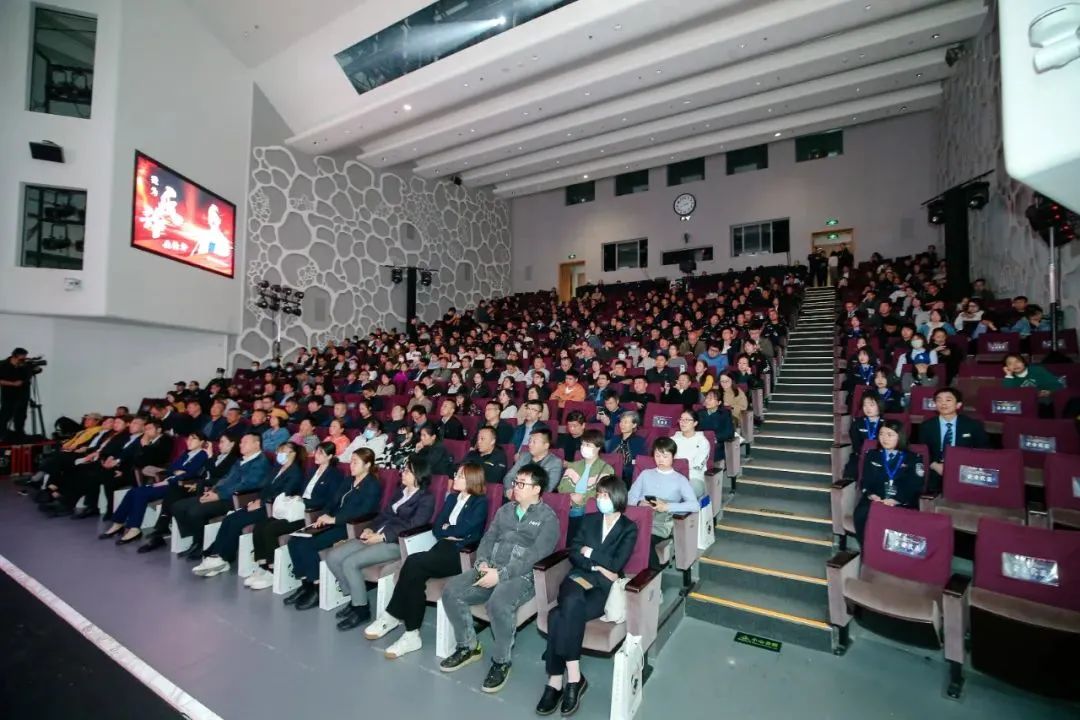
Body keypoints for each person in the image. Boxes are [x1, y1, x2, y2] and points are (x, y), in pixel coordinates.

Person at [438, 463, 559, 694]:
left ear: (537, 489)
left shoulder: (548, 518)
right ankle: (468, 646)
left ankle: (501, 661)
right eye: (515, 482)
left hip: (522, 576)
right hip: (491, 567)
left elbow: (536, 555)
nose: (515, 487)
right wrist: (482, 563)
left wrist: (501, 575)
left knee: (498, 603)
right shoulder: (505, 511)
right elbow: (488, 538)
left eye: (522, 484)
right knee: (451, 590)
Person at [536, 475, 638, 716]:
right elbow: (574, 551)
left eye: (605, 495)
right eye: (598, 494)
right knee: (571, 600)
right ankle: (574, 677)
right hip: (579, 577)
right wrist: (596, 565)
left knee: (557, 615)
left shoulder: (629, 528)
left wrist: (591, 552)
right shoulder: (590, 519)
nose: (600, 499)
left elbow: (617, 563)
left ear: (617, 497)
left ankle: (555, 679)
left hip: (602, 589)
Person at [364, 463, 489, 658]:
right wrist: (448, 531)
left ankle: (394, 617)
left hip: (461, 554)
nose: (455, 477)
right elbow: (438, 527)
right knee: (414, 571)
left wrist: (450, 530)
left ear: (471, 480)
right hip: (442, 547)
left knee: (413, 562)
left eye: (460, 475)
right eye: (456, 473)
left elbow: (465, 530)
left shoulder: (480, 502)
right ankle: (410, 633)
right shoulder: (452, 498)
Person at [329, 455, 436, 629]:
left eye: (407, 471)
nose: (402, 473)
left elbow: (415, 525)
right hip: (377, 535)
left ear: (418, 474)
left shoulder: (426, 498)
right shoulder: (400, 491)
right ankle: (355, 597)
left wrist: (383, 536)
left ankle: (361, 609)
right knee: (333, 557)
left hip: (397, 543)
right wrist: (370, 528)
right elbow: (384, 514)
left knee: (350, 562)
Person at [283, 448, 383, 610]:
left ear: (367, 465)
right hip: (333, 521)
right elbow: (333, 501)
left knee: (308, 545)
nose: (351, 465)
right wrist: (325, 515)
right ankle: (306, 584)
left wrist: (334, 519)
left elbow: (364, 511)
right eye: (351, 461)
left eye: (356, 462)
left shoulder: (372, 485)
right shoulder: (348, 480)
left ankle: (316, 588)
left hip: (349, 526)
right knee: (294, 541)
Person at [192, 442, 306, 578]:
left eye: (283, 451)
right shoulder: (277, 469)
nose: (279, 454)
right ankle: (217, 556)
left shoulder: (295, 473)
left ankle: (223, 557)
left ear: (292, 454)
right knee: (230, 518)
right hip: (262, 503)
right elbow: (264, 488)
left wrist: (261, 503)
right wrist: (256, 500)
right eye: (279, 451)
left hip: (273, 508)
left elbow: (284, 494)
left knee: (237, 522)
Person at [245, 442, 345, 591]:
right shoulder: (312, 471)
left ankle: (273, 570)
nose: (316, 455)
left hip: (310, 514)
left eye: (321, 453)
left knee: (270, 530)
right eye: (316, 452)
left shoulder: (335, 475)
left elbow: (329, 501)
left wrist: (305, 503)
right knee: (260, 526)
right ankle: (263, 566)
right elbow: (301, 491)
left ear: (330, 456)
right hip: (296, 509)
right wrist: (296, 498)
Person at [170, 432, 272, 563]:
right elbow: (225, 478)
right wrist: (213, 490)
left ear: (257, 444)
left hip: (237, 499)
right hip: (220, 494)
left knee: (194, 511)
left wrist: (219, 495)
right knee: (178, 506)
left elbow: (246, 485)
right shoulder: (240, 460)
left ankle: (200, 544)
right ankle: (196, 539)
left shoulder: (260, 462)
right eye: (241, 442)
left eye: (245, 442)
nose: (241, 445)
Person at [98, 431, 209, 544]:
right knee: (132, 491)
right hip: (168, 481)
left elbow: (191, 474)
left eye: (193, 439)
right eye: (188, 438)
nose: (189, 441)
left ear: (202, 442)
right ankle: (118, 523)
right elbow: (171, 469)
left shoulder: (202, 455)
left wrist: (171, 479)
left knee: (140, 494)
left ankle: (134, 528)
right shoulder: (186, 454)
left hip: (178, 486)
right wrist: (176, 473)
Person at [139, 431, 241, 553]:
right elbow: (203, 472)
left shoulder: (233, 460)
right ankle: (167, 527)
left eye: (222, 442)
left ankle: (164, 526)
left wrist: (208, 459)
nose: (219, 445)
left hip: (208, 488)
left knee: (177, 492)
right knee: (175, 491)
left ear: (232, 444)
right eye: (219, 442)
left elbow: (217, 475)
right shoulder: (218, 456)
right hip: (200, 485)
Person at [628, 437, 698, 570]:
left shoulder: (680, 479)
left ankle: (653, 577)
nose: (660, 459)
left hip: (659, 523)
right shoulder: (645, 474)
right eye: (657, 455)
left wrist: (667, 506)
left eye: (665, 456)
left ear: (673, 456)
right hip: (638, 519)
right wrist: (639, 503)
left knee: (642, 540)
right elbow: (630, 496)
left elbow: (694, 505)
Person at [852, 420, 923, 545]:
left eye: (890, 435)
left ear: (900, 437)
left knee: (897, 521)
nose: (884, 438)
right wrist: (871, 495)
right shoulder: (872, 455)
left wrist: (897, 500)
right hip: (876, 500)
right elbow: (865, 480)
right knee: (861, 514)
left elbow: (915, 485)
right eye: (881, 434)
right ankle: (867, 550)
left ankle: (889, 554)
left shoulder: (913, 458)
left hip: (901, 501)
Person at [920, 387, 989, 492]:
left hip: (964, 469)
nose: (943, 403)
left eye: (948, 400)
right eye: (939, 400)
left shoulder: (973, 425)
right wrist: (934, 465)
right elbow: (922, 450)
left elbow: (984, 450)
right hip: (936, 469)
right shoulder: (926, 426)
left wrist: (961, 466)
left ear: (958, 405)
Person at [558, 429, 614, 538]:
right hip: (569, 505)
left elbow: (603, 493)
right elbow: (562, 487)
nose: (583, 447)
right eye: (583, 444)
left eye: (588, 445)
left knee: (577, 516)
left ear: (598, 447)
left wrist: (582, 499)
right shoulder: (574, 466)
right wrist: (571, 497)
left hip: (589, 509)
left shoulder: (607, 469)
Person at [503, 428, 563, 497]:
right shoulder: (524, 456)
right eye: (529, 441)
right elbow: (509, 476)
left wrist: (524, 494)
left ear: (546, 446)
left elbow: (548, 488)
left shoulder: (555, 462)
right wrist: (509, 489)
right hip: (516, 494)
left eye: (534, 442)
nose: (530, 444)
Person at [672, 409, 710, 497]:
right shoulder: (673, 439)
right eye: (681, 419)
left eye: (687, 420)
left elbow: (697, 466)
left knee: (686, 490)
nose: (682, 422)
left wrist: (679, 465)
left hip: (694, 478)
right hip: (673, 476)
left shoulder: (702, 441)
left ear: (695, 423)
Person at [844, 395, 884, 480]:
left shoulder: (885, 424)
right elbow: (856, 444)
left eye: (871, 405)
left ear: (879, 405)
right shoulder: (857, 423)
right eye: (864, 405)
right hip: (861, 455)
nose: (867, 408)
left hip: (881, 456)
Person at [0, 347, 33, 440]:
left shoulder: (24, 366)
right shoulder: (2, 365)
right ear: (15, 356)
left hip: (23, 394)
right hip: (8, 395)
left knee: (21, 416)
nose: (23, 360)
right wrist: (12, 384)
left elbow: (28, 377)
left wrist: (31, 368)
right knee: (5, 415)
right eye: (21, 358)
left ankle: (20, 434)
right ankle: (2, 435)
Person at [604, 411, 647, 483]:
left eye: (626, 422)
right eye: (621, 422)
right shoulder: (615, 439)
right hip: (610, 472)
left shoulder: (639, 441)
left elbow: (639, 462)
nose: (622, 425)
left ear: (634, 425)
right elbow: (609, 457)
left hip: (627, 475)